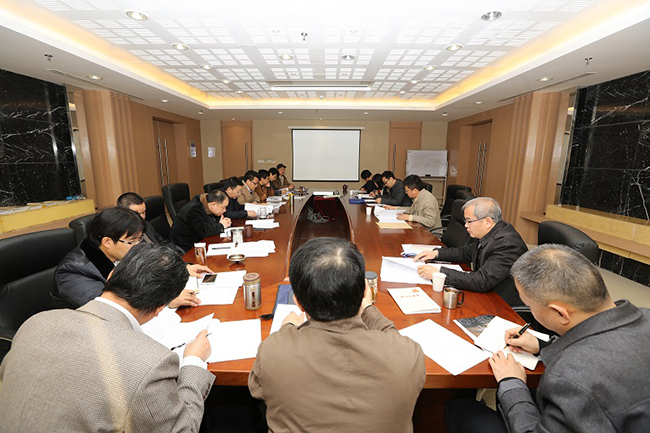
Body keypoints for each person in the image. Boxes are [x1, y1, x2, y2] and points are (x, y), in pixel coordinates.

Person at [1, 243, 215, 432]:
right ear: (161, 307)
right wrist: (194, 362)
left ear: (111, 276)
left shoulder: (35, 322)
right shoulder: (151, 362)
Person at [445, 244, 650, 433]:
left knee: (459, 407)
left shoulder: (570, 377)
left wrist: (512, 383)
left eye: (530, 307)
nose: (531, 311)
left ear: (560, 313)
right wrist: (542, 344)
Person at [249, 237, 425, 432]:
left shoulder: (273, 351)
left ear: (298, 302)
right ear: (365, 291)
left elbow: (257, 389)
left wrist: (287, 328)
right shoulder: (408, 354)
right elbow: (394, 339)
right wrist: (368, 309)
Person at [53, 207, 200, 310]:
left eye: (139, 239)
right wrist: (165, 300)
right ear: (107, 242)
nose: (138, 245)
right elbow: (110, 307)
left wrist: (183, 268)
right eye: (132, 241)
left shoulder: (119, 252)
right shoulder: (73, 271)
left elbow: (152, 266)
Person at [415, 197, 527, 307]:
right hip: (488, 292)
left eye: (469, 221)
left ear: (488, 221)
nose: (465, 225)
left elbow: (482, 281)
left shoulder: (507, 244)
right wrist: (437, 253)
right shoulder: (487, 233)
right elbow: (465, 252)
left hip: (504, 304)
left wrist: (439, 273)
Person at [118, 191, 216, 276]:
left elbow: (163, 242)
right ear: (123, 213)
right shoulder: (123, 238)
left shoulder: (146, 225)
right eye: (137, 214)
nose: (142, 217)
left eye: (144, 212)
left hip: (169, 265)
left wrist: (179, 260)